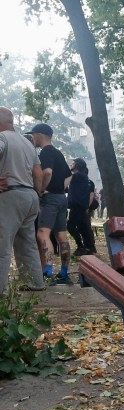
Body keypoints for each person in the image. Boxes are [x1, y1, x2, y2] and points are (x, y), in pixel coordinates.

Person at [0, 107, 44, 294]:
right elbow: (38, 172)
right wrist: (37, 192)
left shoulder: (2, 138)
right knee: (27, 243)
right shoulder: (28, 144)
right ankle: (34, 282)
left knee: (2, 243)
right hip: (30, 196)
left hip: (11, 195)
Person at [30, 123, 74, 284]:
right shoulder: (58, 153)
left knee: (42, 234)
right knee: (61, 236)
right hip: (62, 198)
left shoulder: (46, 152)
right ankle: (64, 273)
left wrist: (42, 188)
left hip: (50, 200)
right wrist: (58, 188)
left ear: (39, 135)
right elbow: (69, 176)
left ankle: (47, 273)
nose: (32, 138)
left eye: (33, 135)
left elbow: (47, 171)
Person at [66, 159, 98, 256]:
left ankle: (81, 246)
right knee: (83, 227)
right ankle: (89, 248)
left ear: (77, 165)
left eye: (73, 163)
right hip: (80, 206)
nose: (71, 164)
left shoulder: (77, 176)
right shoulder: (82, 177)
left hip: (77, 206)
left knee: (71, 226)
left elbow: (65, 178)